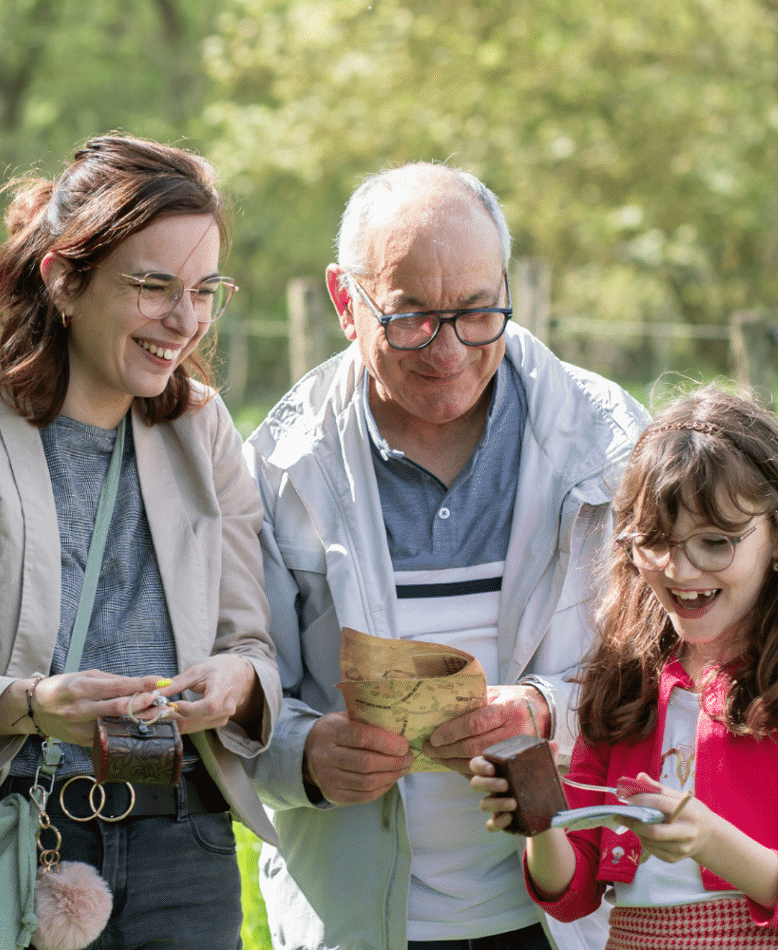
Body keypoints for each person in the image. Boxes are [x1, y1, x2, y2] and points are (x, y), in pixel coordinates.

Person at [0, 133, 280, 950]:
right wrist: (33, 708)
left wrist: (241, 682)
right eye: (154, 286)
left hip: (186, 852)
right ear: (65, 280)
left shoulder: (205, 428)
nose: (185, 322)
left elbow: (249, 639)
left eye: (205, 290)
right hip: (4, 848)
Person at [244, 162, 649, 950]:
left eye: (475, 313)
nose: (448, 349)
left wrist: (540, 711)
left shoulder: (611, 442)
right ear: (344, 300)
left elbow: (677, 681)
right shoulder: (278, 466)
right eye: (410, 319)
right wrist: (305, 754)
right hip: (362, 922)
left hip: (573, 914)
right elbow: (239, 689)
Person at [471, 387, 778, 948]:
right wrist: (541, 822)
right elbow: (574, 895)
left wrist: (711, 841)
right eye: (656, 541)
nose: (679, 569)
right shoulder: (627, 681)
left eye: (715, 542)